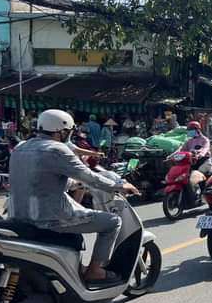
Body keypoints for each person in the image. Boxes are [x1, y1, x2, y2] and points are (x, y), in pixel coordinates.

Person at [8, 109, 139, 285]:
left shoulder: (20, 147)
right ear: (61, 131)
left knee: (82, 213)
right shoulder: (57, 150)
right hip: (48, 217)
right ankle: (95, 271)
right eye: (68, 132)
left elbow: (40, 179)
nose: (69, 136)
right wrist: (120, 186)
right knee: (112, 222)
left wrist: (73, 184)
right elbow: (89, 177)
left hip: (17, 215)